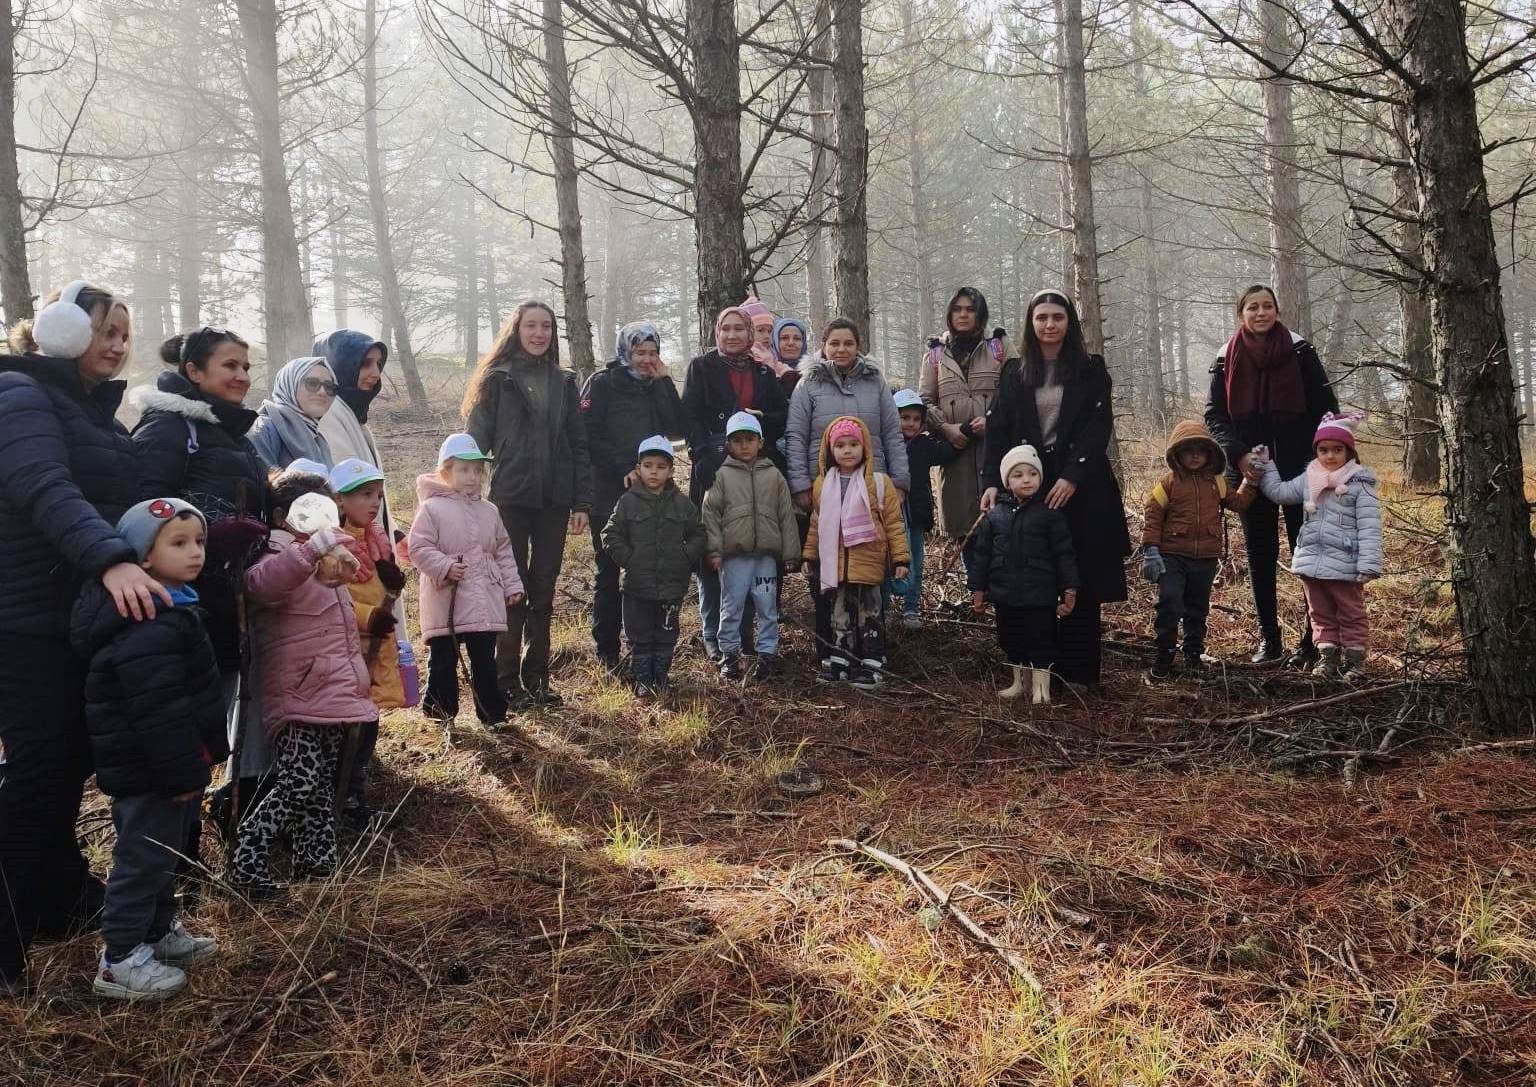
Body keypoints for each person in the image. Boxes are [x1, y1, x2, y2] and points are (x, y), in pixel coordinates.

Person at [0, 280, 166, 996]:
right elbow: (45, 488)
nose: (118, 341)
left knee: (68, 761)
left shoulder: (95, 413)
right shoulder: (20, 395)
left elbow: (124, 500)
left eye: (126, 330)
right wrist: (112, 558)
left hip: (72, 620)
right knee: (38, 773)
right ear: (61, 331)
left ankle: (55, 895)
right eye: (104, 327)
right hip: (26, 621)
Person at [71, 498, 226, 1000]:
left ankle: (156, 934)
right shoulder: (146, 622)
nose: (195, 552)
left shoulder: (174, 607)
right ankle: (118, 959)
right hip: (152, 771)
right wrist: (182, 774)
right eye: (178, 543)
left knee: (165, 853)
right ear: (141, 558)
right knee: (142, 859)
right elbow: (158, 710)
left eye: (199, 541)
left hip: (171, 766)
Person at [230, 468, 375, 899]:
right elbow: (262, 585)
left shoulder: (325, 553)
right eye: (306, 511)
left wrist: (339, 554)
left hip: (330, 689)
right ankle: (247, 862)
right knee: (299, 783)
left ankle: (318, 863)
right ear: (280, 515)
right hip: (297, 691)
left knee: (319, 784)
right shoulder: (276, 551)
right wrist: (311, 549)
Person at [982, 289, 1131, 689]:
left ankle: (1080, 674)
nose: (1050, 325)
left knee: (1079, 575)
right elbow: (997, 431)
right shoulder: (1014, 371)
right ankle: (1038, 671)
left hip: (1082, 489)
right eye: (1042, 317)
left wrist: (1071, 476)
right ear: (1031, 323)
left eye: (1058, 317)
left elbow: (1097, 428)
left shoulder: (1090, 368)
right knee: (1035, 576)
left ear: (1070, 323)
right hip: (1028, 486)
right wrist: (993, 483)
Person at [464, 301, 592, 708]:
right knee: (510, 588)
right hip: (510, 499)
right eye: (531, 326)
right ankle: (506, 681)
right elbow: (473, 444)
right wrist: (458, 495)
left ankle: (539, 677)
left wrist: (581, 503)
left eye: (547, 328)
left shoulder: (564, 382)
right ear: (516, 330)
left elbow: (578, 445)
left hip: (554, 500)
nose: (539, 334)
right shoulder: (497, 380)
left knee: (544, 589)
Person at [1205, 284, 1339, 667]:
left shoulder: (1300, 351)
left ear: (1277, 312)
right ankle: (1269, 641)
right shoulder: (1224, 357)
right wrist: (1239, 454)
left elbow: (1326, 409)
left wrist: (1325, 463)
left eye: (1267, 307)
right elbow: (1215, 416)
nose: (1261, 313)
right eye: (1252, 307)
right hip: (1251, 474)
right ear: (1241, 314)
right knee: (1261, 555)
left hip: (1301, 469)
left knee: (1308, 555)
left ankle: (1315, 642)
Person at [682, 306, 789, 660]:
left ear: (749, 333)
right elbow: (691, 416)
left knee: (751, 549)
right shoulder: (701, 367)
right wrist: (706, 455)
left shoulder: (762, 371)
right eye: (725, 329)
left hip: (756, 474)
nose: (732, 335)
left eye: (739, 329)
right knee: (714, 552)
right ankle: (713, 633)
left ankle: (745, 634)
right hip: (714, 468)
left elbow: (780, 418)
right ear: (716, 333)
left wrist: (760, 420)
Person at [580, 321, 684, 674]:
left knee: (647, 571)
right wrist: (623, 466)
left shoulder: (655, 385)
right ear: (626, 351)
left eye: (653, 353)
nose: (646, 359)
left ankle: (644, 648)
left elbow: (677, 428)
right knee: (608, 570)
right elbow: (588, 435)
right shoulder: (603, 383)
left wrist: (665, 381)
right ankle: (607, 651)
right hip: (609, 490)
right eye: (640, 352)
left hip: (652, 493)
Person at [409, 434, 526, 729]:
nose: (472, 477)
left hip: (483, 596)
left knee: (485, 659)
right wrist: (445, 566)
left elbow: (502, 550)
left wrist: (512, 585)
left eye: (477, 470)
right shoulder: (431, 508)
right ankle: (441, 714)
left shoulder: (489, 511)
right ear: (445, 472)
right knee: (444, 659)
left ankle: (493, 715)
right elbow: (418, 548)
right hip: (446, 595)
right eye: (463, 469)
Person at [1254, 412, 1381, 681]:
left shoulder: (1360, 483)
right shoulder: (1309, 477)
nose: (1331, 456)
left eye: (1338, 450)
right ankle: (1328, 659)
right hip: (1312, 562)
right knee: (1319, 614)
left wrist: (1369, 563)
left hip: (1345, 562)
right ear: (1316, 451)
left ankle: (1355, 662)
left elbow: (1370, 526)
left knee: (1350, 613)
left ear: (1349, 451)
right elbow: (1280, 493)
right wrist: (1267, 466)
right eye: (1324, 450)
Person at [1140, 421, 1257, 679]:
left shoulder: (1217, 482)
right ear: (1176, 454)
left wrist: (1250, 481)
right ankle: (1164, 657)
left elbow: (1238, 504)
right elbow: (1153, 515)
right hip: (1172, 557)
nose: (1195, 455)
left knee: (1197, 608)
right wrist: (1151, 549)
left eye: (1200, 450)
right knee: (1169, 603)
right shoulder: (1167, 483)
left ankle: (1193, 656)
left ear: (1210, 454)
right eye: (1188, 449)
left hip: (1205, 558)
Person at [967, 444, 1079, 704]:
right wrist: (978, 589)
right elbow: (982, 555)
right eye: (1018, 475)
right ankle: (1019, 683)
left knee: (1041, 639)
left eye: (1032, 473)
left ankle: (1042, 689)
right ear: (1007, 481)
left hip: (1040, 594)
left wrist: (1069, 589)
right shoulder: (995, 515)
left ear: (1040, 477)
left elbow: (1064, 554)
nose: (1026, 479)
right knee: (1010, 636)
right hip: (1005, 593)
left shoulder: (1050, 513)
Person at [803, 416, 909, 689]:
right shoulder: (823, 484)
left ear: (865, 448)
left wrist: (900, 558)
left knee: (869, 613)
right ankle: (842, 657)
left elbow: (895, 524)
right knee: (839, 613)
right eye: (840, 445)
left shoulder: (879, 482)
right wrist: (809, 555)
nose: (847, 450)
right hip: (836, 564)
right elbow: (817, 522)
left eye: (853, 444)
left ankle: (873, 660)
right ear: (830, 450)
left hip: (868, 561)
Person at [600, 435, 707, 697]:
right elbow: (609, 534)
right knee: (639, 634)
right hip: (637, 585)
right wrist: (629, 559)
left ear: (670, 470)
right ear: (638, 468)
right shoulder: (628, 502)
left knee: (666, 634)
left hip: (672, 585)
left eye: (660, 466)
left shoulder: (682, 504)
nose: (654, 472)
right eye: (648, 465)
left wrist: (685, 556)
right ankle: (643, 681)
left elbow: (700, 534)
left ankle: (660, 677)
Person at [329, 458, 407, 814]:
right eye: (364, 494)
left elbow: (378, 592)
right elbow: (333, 597)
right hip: (347, 651)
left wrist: (391, 590)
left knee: (368, 724)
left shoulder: (376, 539)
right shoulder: (334, 545)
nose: (375, 502)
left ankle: (354, 793)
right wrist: (368, 617)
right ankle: (337, 796)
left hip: (373, 650)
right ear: (340, 500)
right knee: (347, 729)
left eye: (377, 494)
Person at [702, 412, 800, 681]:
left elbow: (786, 515)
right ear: (729, 445)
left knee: (767, 607)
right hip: (735, 558)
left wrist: (791, 554)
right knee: (731, 606)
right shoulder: (721, 476)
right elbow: (710, 515)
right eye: (737, 440)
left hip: (766, 557)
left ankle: (767, 654)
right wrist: (714, 550)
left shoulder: (774, 476)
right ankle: (729, 655)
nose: (744, 445)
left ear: (760, 442)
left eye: (749, 439)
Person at [786, 317, 911, 507]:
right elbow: (796, 436)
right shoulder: (808, 384)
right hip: (822, 485)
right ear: (824, 346)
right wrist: (801, 485)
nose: (842, 349)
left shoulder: (876, 382)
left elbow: (893, 434)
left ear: (857, 347)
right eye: (834, 343)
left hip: (871, 484)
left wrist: (899, 481)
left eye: (848, 343)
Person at [920, 288, 1012, 541]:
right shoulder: (935, 353)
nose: (963, 315)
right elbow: (924, 402)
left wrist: (992, 422)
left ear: (980, 314)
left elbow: (1017, 392)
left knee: (1002, 530)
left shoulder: (999, 345)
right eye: (957, 309)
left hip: (996, 453)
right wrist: (946, 429)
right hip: (954, 455)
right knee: (964, 536)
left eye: (970, 310)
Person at [889, 388, 960, 627]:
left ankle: (911, 608)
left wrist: (961, 430)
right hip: (890, 513)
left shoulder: (925, 444)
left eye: (916, 419)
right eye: (904, 417)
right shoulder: (886, 445)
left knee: (916, 560)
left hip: (917, 511)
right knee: (889, 559)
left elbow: (951, 450)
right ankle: (885, 607)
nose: (910, 423)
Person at [250, 355, 338, 471]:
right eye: (312, 383)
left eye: (329, 387)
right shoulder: (264, 428)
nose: (323, 392)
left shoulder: (318, 439)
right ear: (290, 385)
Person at [770, 316, 810, 398]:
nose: (791, 343)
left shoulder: (815, 374)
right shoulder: (764, 372)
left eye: (797, 338)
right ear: (775, 341)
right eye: (784, 338)